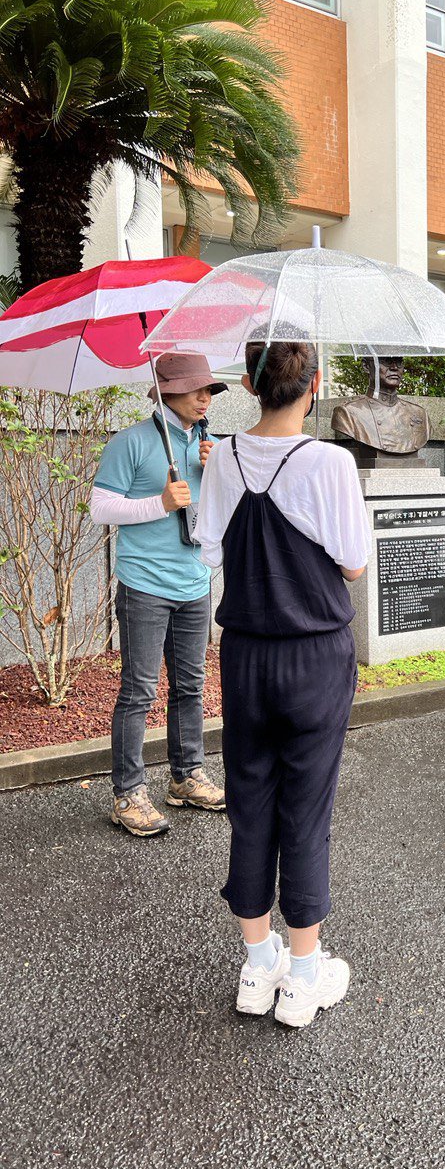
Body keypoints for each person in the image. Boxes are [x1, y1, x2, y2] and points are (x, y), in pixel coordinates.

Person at [196, 341, 371, 1027]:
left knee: (250, 800)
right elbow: (353, 564)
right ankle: (302, 977)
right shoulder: (329, 461)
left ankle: (256, 962)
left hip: (244, 655)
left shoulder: (224, 458)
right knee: (307, 807)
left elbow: (210, 548)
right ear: (315, 384)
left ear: (247, 383)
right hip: (314, 656)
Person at [91, 353, 228, 837]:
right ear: (165, 390)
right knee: (138, 691)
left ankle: (186, 776)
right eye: (196, 388)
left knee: (191, 686)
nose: (205, 396)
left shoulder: (212, 444)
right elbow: (100, 507)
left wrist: (220, 476)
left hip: (194, 581)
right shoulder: (130, 441)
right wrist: (160, 502)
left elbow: (223, 511)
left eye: (209, 389)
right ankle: (128, 793)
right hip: (144, 584)